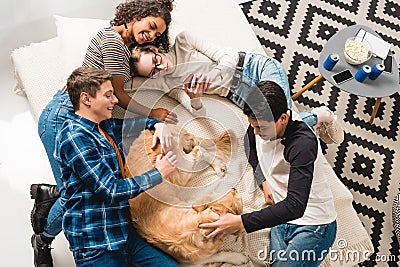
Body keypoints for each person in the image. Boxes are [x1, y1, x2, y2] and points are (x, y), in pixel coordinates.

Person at [30, 1, 177, 266]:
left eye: (157, 35)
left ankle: (49, 194)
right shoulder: (114, 44)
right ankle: (42, 238)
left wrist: (158, 62)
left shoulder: (118, 41)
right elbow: (120, 96)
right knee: (73, 195)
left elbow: (118, 92)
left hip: (84, 116)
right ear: (138, 14)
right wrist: (153, 115)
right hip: (63, 115)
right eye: (151, 26)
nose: (152, 35)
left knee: (79, 185)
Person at [199, 80, 337, 266]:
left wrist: (241, 222)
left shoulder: (302, 145)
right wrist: (263, 181)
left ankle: (322, 116)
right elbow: (250, 146)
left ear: (282, 118)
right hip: (281, 217)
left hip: (314, 224)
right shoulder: (260, 124)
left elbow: (296, 206)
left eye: (260, 128)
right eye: (253, 125)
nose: (255, 132)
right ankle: (317, 116)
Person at [54, 66, 179, 266]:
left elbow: (134, 124)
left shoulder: (104, 126)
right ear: (86, 99)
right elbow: (110, 190)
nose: (115, 100)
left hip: (123, 235)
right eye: (109, 95)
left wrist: (157, 124)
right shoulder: (74, 136)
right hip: (96, 244)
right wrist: (159, 173)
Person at [129, 30, 344, 145]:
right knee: (270, 133)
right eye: (153, 72)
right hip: (239, 93)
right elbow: (197, 111)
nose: (161, 68)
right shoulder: (169, 85)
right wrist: (195, 97)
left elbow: (226, 56)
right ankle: (316, 118)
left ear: (154, 48)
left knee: (281, 121)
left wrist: (213, 75)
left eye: (156, 60)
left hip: (253, 67)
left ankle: (322, 115)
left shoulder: (184, 40)